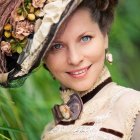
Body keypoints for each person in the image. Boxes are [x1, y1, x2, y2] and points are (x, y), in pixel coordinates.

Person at [41, 0, 140, 140]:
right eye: (57, 46)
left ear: (105, 37)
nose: (74, 59)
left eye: (85, 38)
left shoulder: (133, 108)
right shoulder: (51, 128)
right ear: (43, 56)